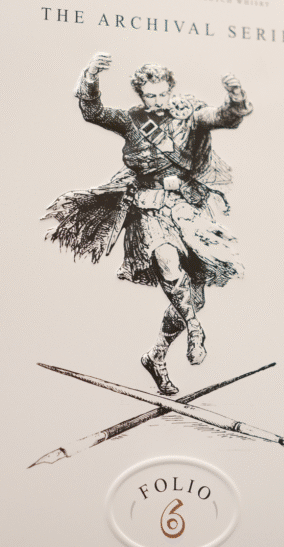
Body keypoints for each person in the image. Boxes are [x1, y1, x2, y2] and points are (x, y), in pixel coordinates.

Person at [45, 52, 252, 396]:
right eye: (150, 95)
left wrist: (235, 97)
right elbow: (94, 113)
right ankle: (195, 330)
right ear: (141, 95)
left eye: (162, 94)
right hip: (148, 209)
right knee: (168, 263)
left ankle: (156, 355)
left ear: (171, 90)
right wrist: (91, 77)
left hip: (188, 211)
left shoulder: (189, 117)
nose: (157, 101)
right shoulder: (131, 120)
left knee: (194, 296)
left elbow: (224, 117)